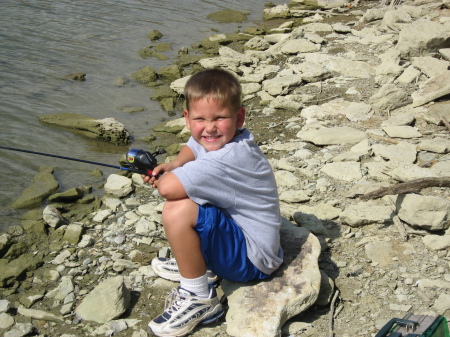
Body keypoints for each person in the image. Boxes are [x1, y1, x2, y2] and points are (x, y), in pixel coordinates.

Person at [143, 67, 283, 337]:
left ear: (239, 116)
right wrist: (174, 164)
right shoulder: (224, 140)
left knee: (177, 210)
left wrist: (162, 177)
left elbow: (169, 189)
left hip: (253, 261)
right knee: (191, 197)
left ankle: (199, 298)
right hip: (247, 240)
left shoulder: (226, 158)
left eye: (220, 118)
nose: (209, 128)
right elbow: (193, 145)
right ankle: (196, 264)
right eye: (200, 119)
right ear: (187, 118)